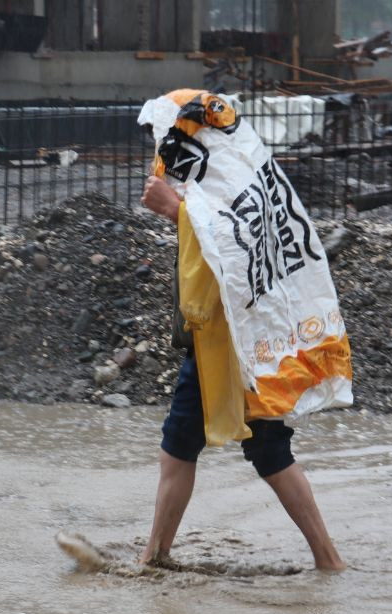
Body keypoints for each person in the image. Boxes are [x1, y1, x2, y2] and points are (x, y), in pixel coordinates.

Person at [138, 174, 345, 572]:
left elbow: (237, 242)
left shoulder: (228, 164)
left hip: (229, 338)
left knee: (191, 445)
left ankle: (153, 559)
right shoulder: (233, 160)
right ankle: (327, 560)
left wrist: (175, 209)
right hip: (231, 333)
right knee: (251, 446)